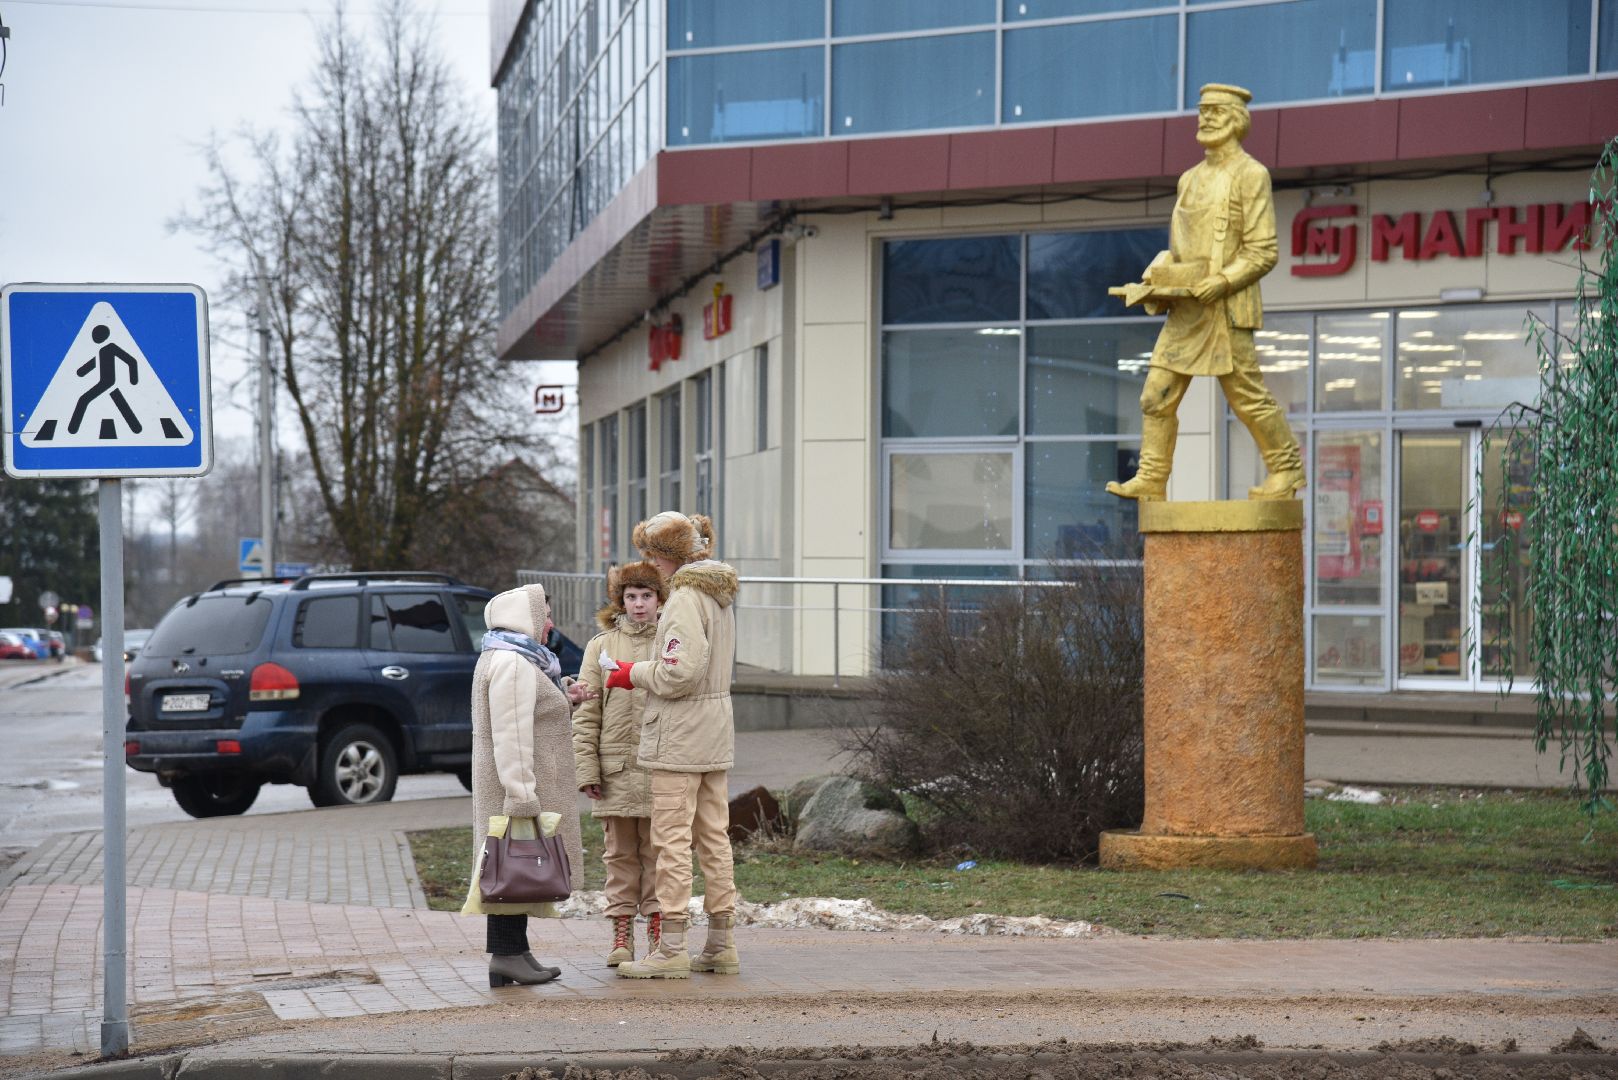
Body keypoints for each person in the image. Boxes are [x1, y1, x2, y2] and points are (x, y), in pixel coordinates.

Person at [1105, 82, 1304, 503]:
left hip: (1226, 309)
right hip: (1186, 312)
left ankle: (1286, 469)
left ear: (1236, 121)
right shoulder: (1189, 179)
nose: (1204, 118)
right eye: (1202, 111)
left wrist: (1224, 280)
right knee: (1154, 395)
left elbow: (1263, 250)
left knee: (1247, 398)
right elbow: (1179, 252)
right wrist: (1155, 285)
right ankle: (1151, 478)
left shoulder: (1251, 175)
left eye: (1214, 111)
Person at [601, 512, 740, 980]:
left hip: (680, 736)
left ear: (670, 555)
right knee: (714, 838)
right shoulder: (718, 595)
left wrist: (629, 673)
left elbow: (679, 673)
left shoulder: (683, 598)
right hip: (714, 730)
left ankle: (672, 945)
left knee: (671, 841)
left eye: (653, 554)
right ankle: (721, 942)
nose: (650, 564)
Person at [467, 583, 583, 987]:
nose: (550, 622)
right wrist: (520, 794)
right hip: (515, 784)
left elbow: (530, 711)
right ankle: (505, 955)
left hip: (517, 780)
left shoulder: (515, 658)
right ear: (526, 617)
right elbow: (511, 734)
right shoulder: (513, 663)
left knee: (514, 867)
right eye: (544, 614)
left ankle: (515, 951)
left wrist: (564, 696)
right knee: (512, 867)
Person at [570, 560, 668, 967]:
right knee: (619, 857)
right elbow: (587, 711)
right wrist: (587, 770)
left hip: (662, 768)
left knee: (662, 856)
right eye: (631, 597)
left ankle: (661, 934)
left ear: (660, 599)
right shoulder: (602, 645)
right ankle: (621, 933)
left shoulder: (671, 641)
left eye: (647, 596)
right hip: (616, 770)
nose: (639, 604)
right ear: (620, 601)